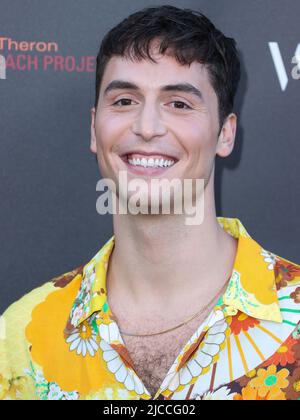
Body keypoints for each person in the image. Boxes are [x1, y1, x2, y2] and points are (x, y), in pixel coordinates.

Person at [1, 5, 299, 401]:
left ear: (225, 135)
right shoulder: (20, 337)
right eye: (124, 100)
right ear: (94, 128)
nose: (146, 127)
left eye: (179, 103)